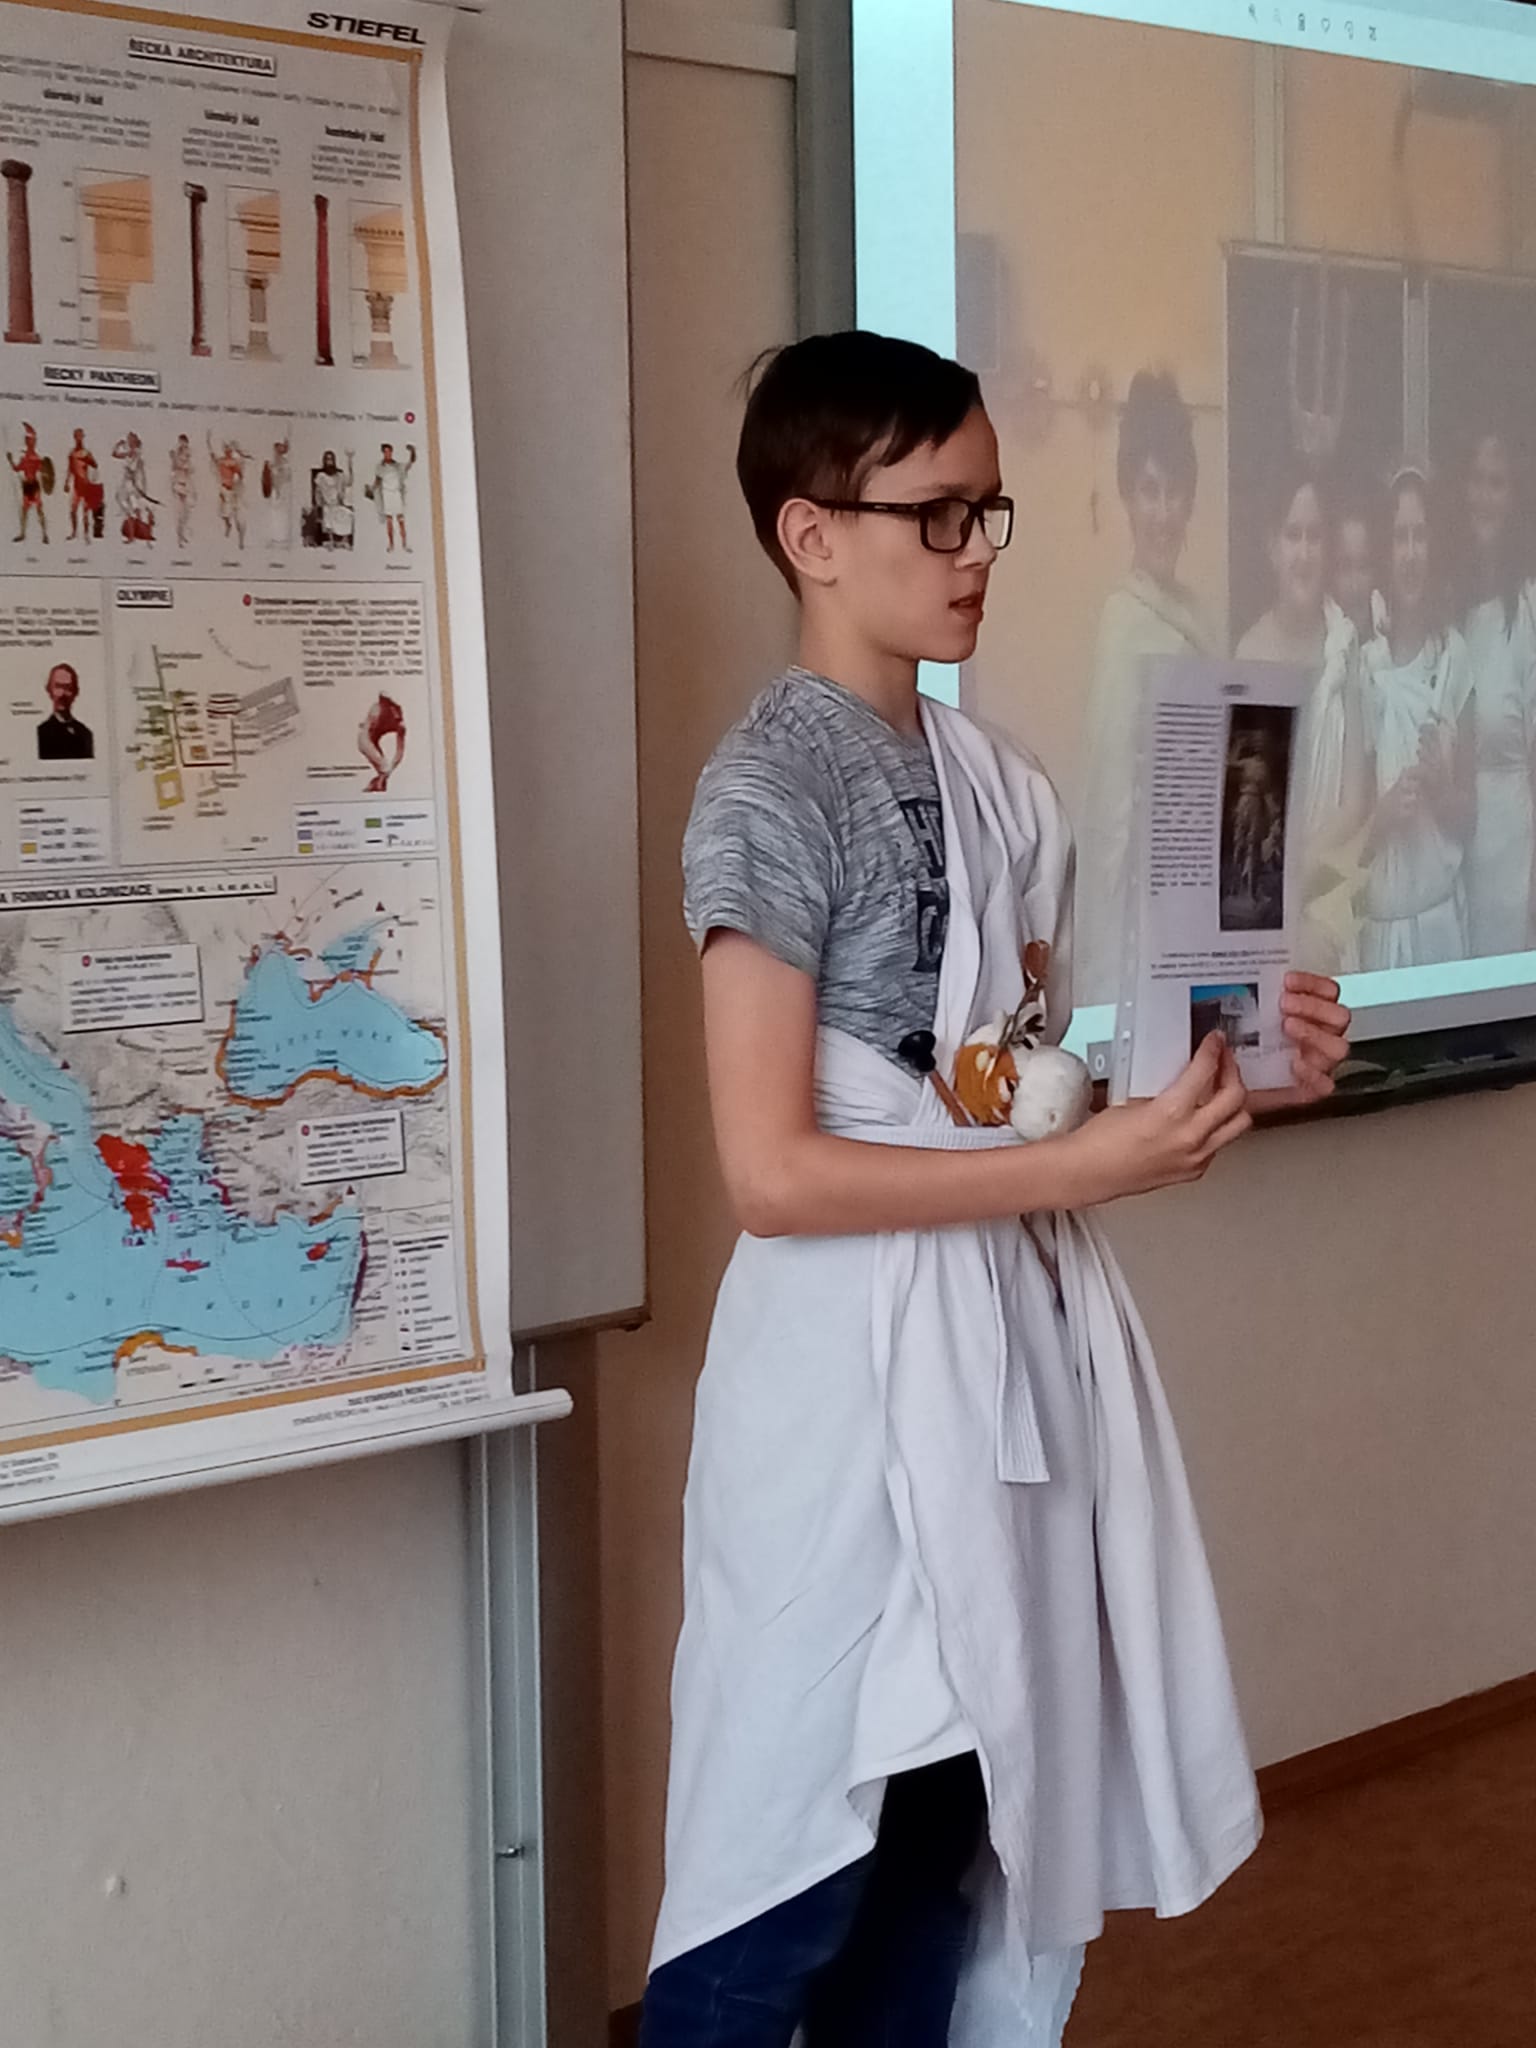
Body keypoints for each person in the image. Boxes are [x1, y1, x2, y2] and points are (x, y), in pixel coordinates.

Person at [640, 331, 1350, 2048]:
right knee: (776, 1874)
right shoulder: (767, 790)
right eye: (938, 515)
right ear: (813, 532)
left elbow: (1004, 1082)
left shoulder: (1001, 786)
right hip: (840, 1387)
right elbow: (772, 1170)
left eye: (989, 514)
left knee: (945, 1848)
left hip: (998, 1372)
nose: (975, 554)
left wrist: (1236, 1069)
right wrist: (1077, 1162)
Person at [1077, 370, 1211, 1003]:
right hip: (1143, 920)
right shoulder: (1122, 622)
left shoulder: (1199, 613)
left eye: (1174, 492)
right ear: (1128, 499)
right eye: (1148, 492)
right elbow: (1109, 810)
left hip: (1200, 894)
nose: (1162, 513)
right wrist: (1103, 977)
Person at [1236, 468, 1369, 973]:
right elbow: (1246, 814)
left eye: (1315, 537)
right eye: (1293, 535)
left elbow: (1355, 801)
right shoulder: (1251, 654)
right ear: (1272, 547)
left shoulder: (1344, 645)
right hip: (1267, 907)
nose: (1304, 552)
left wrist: (1305, 876)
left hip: (1334, 900)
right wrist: (1280, 891)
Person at [1359, 467, 1475, 970]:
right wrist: (1384, 816)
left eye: (1420, 536)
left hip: (1441, 926)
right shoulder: (1364, 667)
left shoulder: (1454, 659)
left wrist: (1440, 788)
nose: (1410, 553)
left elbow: (1468, 817)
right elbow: (1346, 834)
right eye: (1399, 537)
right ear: (1384, 551)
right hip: (1381, 930)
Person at [1453, 428, 1536, 955]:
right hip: (1454, 860)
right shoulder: (1449, 603)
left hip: (1514, 862)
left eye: (1497, 483)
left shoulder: (1528, 608)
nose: (1484, 496)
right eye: (1477, 480)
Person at [36, 662, 93, 760]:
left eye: (67, 688)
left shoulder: (85, 734)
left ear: (75, 692)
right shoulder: (42, 733)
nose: (62, 694)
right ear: (49, 690)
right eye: (58, 686)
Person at [366, 440, 415, 552]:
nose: (387, 453)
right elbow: (377, 481)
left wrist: (412, 451)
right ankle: (391, 544)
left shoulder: (397, 466)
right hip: (387, 495)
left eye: (389, 451)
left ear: (392, 452)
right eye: (385, 452)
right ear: (383, 453)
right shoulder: (380, 467)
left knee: (401, 520)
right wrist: (371, 489)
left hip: (396, 494)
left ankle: (404, 544)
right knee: (389, 520)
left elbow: (410, 463)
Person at [208, 433, 253, 548]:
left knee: (239, 517)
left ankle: (241, 540)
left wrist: (237, 481)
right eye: (226, 448)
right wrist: (208, 442)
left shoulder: (234, 462)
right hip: (224, 490)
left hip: (234, 491)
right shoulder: (221, 461)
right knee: (224, 513)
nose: (227, 450)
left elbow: (240, 475)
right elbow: (213, 457)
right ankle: (228, 525)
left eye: (229, 448)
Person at [8, 422, 49, 545]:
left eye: (30, 440)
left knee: (39, 510)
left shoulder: (35, 458)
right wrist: (10, 460)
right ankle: (23, 533)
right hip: (27, 486)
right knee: (25, 511)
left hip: (33, 486)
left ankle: (44, 534)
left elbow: (43, 470)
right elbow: (16, 468)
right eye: (27, 440)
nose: (28, 442)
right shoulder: (26, 458)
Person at [112, 431, 155, 543]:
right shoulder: (130, 452)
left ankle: (134, 534)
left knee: (130, 508)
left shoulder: (136, 453)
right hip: (127, 483)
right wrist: (118, 445)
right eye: (128, 439)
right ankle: (136, 532)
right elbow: (115, 454)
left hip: (131, 484)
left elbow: (133, 468)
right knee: (130, 506)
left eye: (130, 440)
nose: (128, 441)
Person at [358, 692, 405, 791]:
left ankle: (376, 785)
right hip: (365, 739)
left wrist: (391, 768)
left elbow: (400, 751)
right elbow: (365, 738)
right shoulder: (376, 710)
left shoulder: (400, 724)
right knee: (384, 768)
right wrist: (387, 769)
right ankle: (375, 784)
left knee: (385, 770)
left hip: (372, 740)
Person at [309, 449, 354, 549]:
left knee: (348, 514)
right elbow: (317, 492)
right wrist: (318, 504)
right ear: (324, 461)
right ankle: (331, 540)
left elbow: (350, 481)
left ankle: (344, 540)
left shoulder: (339, 475)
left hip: (338, 504)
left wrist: (350, 461)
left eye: (331, 459)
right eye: (327, 459)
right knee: (327, 514)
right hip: (327, 505)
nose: (329, 462)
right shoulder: (321, 476)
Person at [66, 429, 100, 544]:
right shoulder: (72, 453)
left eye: (80, 436)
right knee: (73, 510)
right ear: (74, 437)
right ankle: (74, 532)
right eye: (77, 436)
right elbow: (70, 469)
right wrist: (67, 482)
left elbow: (95, 465)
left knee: (85, 511)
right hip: (76, 485)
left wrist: (88, 461)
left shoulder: (86, 453)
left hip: (86, 485)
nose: (79, 439)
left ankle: (86, 534)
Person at [169, 433, 196, 549]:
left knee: (186, 513)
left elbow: (191, 470)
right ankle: (179, 538)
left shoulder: (187, 456)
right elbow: (175, 468)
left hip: (185, 484)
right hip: (179, 484)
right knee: (181, 513)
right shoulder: (176, 456)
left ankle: (182, 534)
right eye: (182, 443)